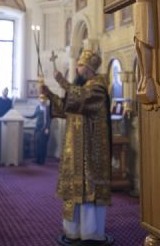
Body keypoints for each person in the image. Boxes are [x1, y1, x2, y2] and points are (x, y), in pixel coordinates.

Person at [40, 49, 112, 245]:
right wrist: (49, 94)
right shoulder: (81, 87)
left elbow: (82, 99)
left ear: (87, 69)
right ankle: (73, 231)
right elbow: (66, 107)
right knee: (73, 189)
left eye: (80, 65)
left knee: (88, 190)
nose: (77, 68)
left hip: (90, 151)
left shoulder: (97, 88)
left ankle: (90, 232)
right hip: (75, 149)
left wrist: (62, 81)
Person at [24, 95, 51, 165]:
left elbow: (49, 119)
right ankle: (38, 159)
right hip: (38, 128)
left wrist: (47, 128)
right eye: (40, 99)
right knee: (37, 144)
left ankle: (42, 160)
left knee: (43, 144)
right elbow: (34, 116)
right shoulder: (38, 107)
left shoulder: (48, 108)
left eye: (43, 99)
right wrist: (25, 116)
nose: (42, 101)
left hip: (44, 128)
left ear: (45, 100)